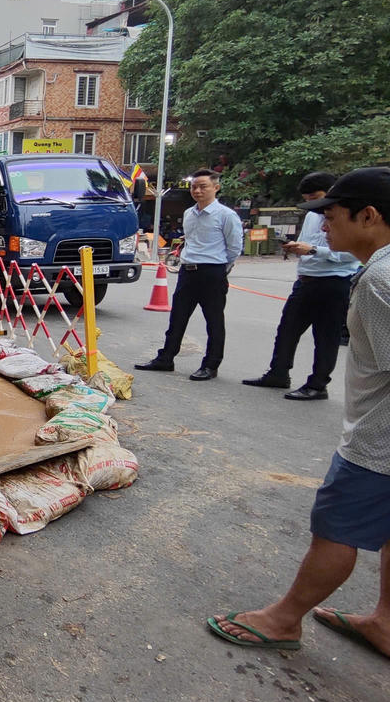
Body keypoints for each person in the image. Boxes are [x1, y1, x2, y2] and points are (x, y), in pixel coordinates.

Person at [207, 167, 390, 657]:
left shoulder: (379, 279)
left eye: (331, 215)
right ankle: (386, 622)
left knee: (335, 529)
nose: (323, 226)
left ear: (368, 216)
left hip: (380, 443)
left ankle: (284, 619)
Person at [243, 172, 361, 401]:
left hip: (334, 282)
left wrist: (314, 250)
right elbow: (310, 245)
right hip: (306, 281)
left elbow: (352, 253)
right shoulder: (311, 215)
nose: (312, 203)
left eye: (315, 197)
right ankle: (278, 373)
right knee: (287, 329)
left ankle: (318, 384)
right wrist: (297, 248)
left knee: (326, 336)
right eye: (307, 198)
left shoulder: (347, 216)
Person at [135, 169, 243, 380]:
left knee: (213, 320)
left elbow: (234, 248)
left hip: (212, 271)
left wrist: (221, 269)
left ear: (216, 187)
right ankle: (166, 358)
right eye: (194, 186)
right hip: (188, 271)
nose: (198, 191)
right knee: (178, 317)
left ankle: (211, 365)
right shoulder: (189, 214)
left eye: (203, 186)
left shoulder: (226, 216)